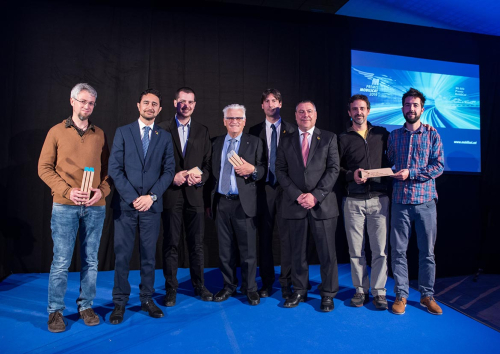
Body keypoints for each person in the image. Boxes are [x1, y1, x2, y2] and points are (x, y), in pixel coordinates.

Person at [38, 83, 111, 332]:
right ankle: (55, 311)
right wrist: (68, 191)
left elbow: (110, 171)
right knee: (61, 261)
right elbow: (44, 168)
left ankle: (86, 305)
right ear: (72, 101)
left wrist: (102, 191)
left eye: (90, 103)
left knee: (91, 260)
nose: (86, 106)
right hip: (65, 206)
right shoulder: (56, 132)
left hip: (95, 207)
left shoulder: (99, 133)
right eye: (82, 101)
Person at [108, 88, 175, 324]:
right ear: (138, 105)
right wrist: (133, 197)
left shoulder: (164, 136)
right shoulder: (123, 132)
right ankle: (119, 303)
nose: (150, 107)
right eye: (146, 103)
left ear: (160, 109)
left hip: (152, 207)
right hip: (126, 207)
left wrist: (152, 197)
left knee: (149, 257)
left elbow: (169, 172)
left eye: (154, 104)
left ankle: (147, 298)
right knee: (122, 257)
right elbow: (114, 168)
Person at [275, 100, 340, 312]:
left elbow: (333, 170)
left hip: (322, 205)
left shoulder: (329, 138)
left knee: (327, 253)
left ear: (316, 114)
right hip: (295, 205)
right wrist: (298, 195)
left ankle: (328, 294)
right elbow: (281, 172)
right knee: (297, 252)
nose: (305, 115)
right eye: (301, 112)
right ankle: (300, 290)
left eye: (309, 111)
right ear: (295, 116)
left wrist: (315, 196)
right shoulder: (285, 141)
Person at [388, 88, 444, 315]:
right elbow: (389, 162)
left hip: (425, 203)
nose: (411, 109)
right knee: (398, 251)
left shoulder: (432, 135)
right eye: (407, 105)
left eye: (415, 105)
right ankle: (401, 295)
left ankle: (426, 295)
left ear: (422, 109)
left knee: (427, 253)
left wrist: (410, 173)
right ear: (402, 108)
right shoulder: (393, 136)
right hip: (400, 202)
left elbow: (438, 166)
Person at [158, 87, 212, 306]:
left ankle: (199, 285)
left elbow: (208, 165)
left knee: (197, 244)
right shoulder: (161, 129)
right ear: (175, 103)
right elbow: (155, 164)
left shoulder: (202, 130)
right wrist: (172, 177)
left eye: (190, 102)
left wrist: (200, 178)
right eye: (182, 101)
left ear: (194, 105)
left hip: (195, 197)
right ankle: (171, 289)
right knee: (170, 243)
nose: (186, 105)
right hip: (171, 195)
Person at [208, 104, 266, 306]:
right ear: (224, 121)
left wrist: (253, 170)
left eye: (238, 118)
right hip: (222, 202)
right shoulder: (215, 143)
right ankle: (228, 286)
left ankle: (250, 288)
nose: (234, 121)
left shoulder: (255, 142)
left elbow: (263, 169)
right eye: (230, 118)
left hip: (245, 203)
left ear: (245, 121)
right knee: (225, 250)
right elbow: (210, 172)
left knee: (248, 250)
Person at [338, 94, 390, 310]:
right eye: (354, 109)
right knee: (356, 251)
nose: (358, 112)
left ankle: (379, 292)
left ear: (368, 111)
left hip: (379, 199)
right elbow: (336, 170)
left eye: (362, 108)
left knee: (380, 251)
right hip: (353, 200)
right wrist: (352, 175)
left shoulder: (382, 134)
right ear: (349, 112)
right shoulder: (342, 138)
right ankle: (360, 290)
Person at [248, 88, 295, 299]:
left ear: (281, 104)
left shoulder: (292, 130)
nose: (270, 104)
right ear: (262, 106)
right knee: (264, 239)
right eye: (266, 101)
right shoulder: (253, 130)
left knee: (287, 239)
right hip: (263, 190)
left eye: (274, 100)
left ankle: (286, 282)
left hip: (286, 191)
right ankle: (266, 283)